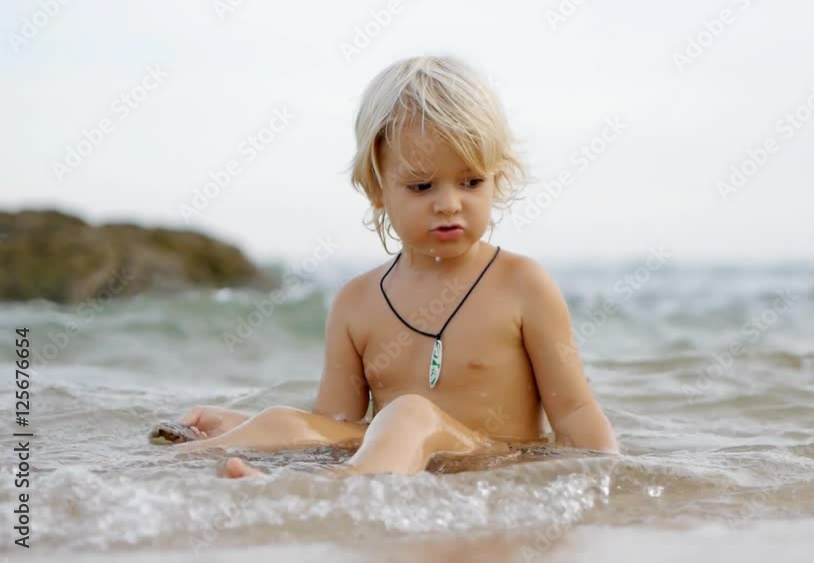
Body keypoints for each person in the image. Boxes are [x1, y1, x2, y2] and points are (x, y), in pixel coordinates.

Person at [155, 55, 619, 478]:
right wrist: (253, 424)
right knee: (284, 419)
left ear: (497, 178)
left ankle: (318, 496)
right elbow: (333, 431)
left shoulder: (522, 283)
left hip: (490, 464)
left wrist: (615, 485)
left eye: (471, 181)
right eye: (421, 186)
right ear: (378, 189)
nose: (449, 204)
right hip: (398, 467)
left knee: (409, 413)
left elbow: (576, 413)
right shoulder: (356, 302)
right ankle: (164, 470)